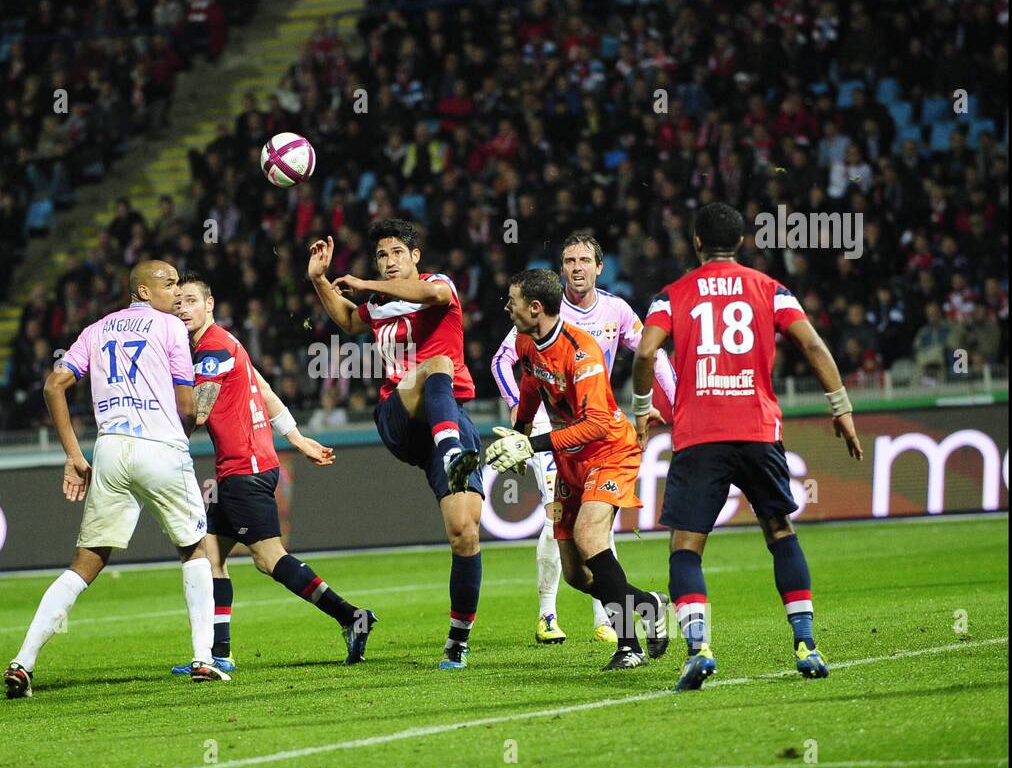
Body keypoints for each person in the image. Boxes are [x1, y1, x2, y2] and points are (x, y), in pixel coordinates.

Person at [631, 202, 863, 691]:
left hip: (700, 436)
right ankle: (805, 645)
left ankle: (699, 650)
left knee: (686, 548)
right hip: (758, 430)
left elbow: (647, 350)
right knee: (779, 532)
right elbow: (814, 345)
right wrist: (840, 407)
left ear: (696, 242)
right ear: (741, 242)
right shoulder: (771, 290)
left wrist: (640, 408)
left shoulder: (671, 295)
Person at [4, 259, 227, 696]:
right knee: (196, 549)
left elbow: (53, 385)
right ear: (144, 291)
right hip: (161, 447)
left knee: (86, 562)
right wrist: (192, 421)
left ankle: (23, 661)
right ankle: (203, 658)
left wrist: (73, 455)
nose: (177, 293)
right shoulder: (170, 330)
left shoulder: (96, 329)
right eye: (169, 284)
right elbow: (185, 407)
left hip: (109, 450)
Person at [170, 275, 374, 672]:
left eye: (190, 300)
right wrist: (297, 438)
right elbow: (263, 389)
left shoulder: (211, 349)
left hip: (243, 469)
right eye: (177, 303)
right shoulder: (230, 343)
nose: (182, 309)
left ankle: (351, 616)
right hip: (248, 466)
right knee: (210, 553)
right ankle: (219, 653)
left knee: (268, 559)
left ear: (209, 304)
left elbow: (198, 412)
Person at [308, 219, 483, 669]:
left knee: (465, 533)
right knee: (433, 365)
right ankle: (450, 450)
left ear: (415, 256)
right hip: (400, 415)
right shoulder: (379, 302)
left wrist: (363, 282)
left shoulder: (438, 284)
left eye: (396, 254)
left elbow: (434, 297)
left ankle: (458, 640)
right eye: (381, 256)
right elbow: (347, 320)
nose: (388, 262)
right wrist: (319, 279)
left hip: (449, 420)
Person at [491, 232, 676, 645]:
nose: (576, 267)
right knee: (578, 573)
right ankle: (648, 605)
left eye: (583, 260)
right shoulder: (527, 339)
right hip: (565, 448)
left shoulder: (586, 344)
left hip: (605, 446)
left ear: (598, 266)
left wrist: (669, 404)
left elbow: (648, 356)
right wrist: (519, 433)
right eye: (568, 260)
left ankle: (624, 641)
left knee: (592, 537)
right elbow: (527, 386)